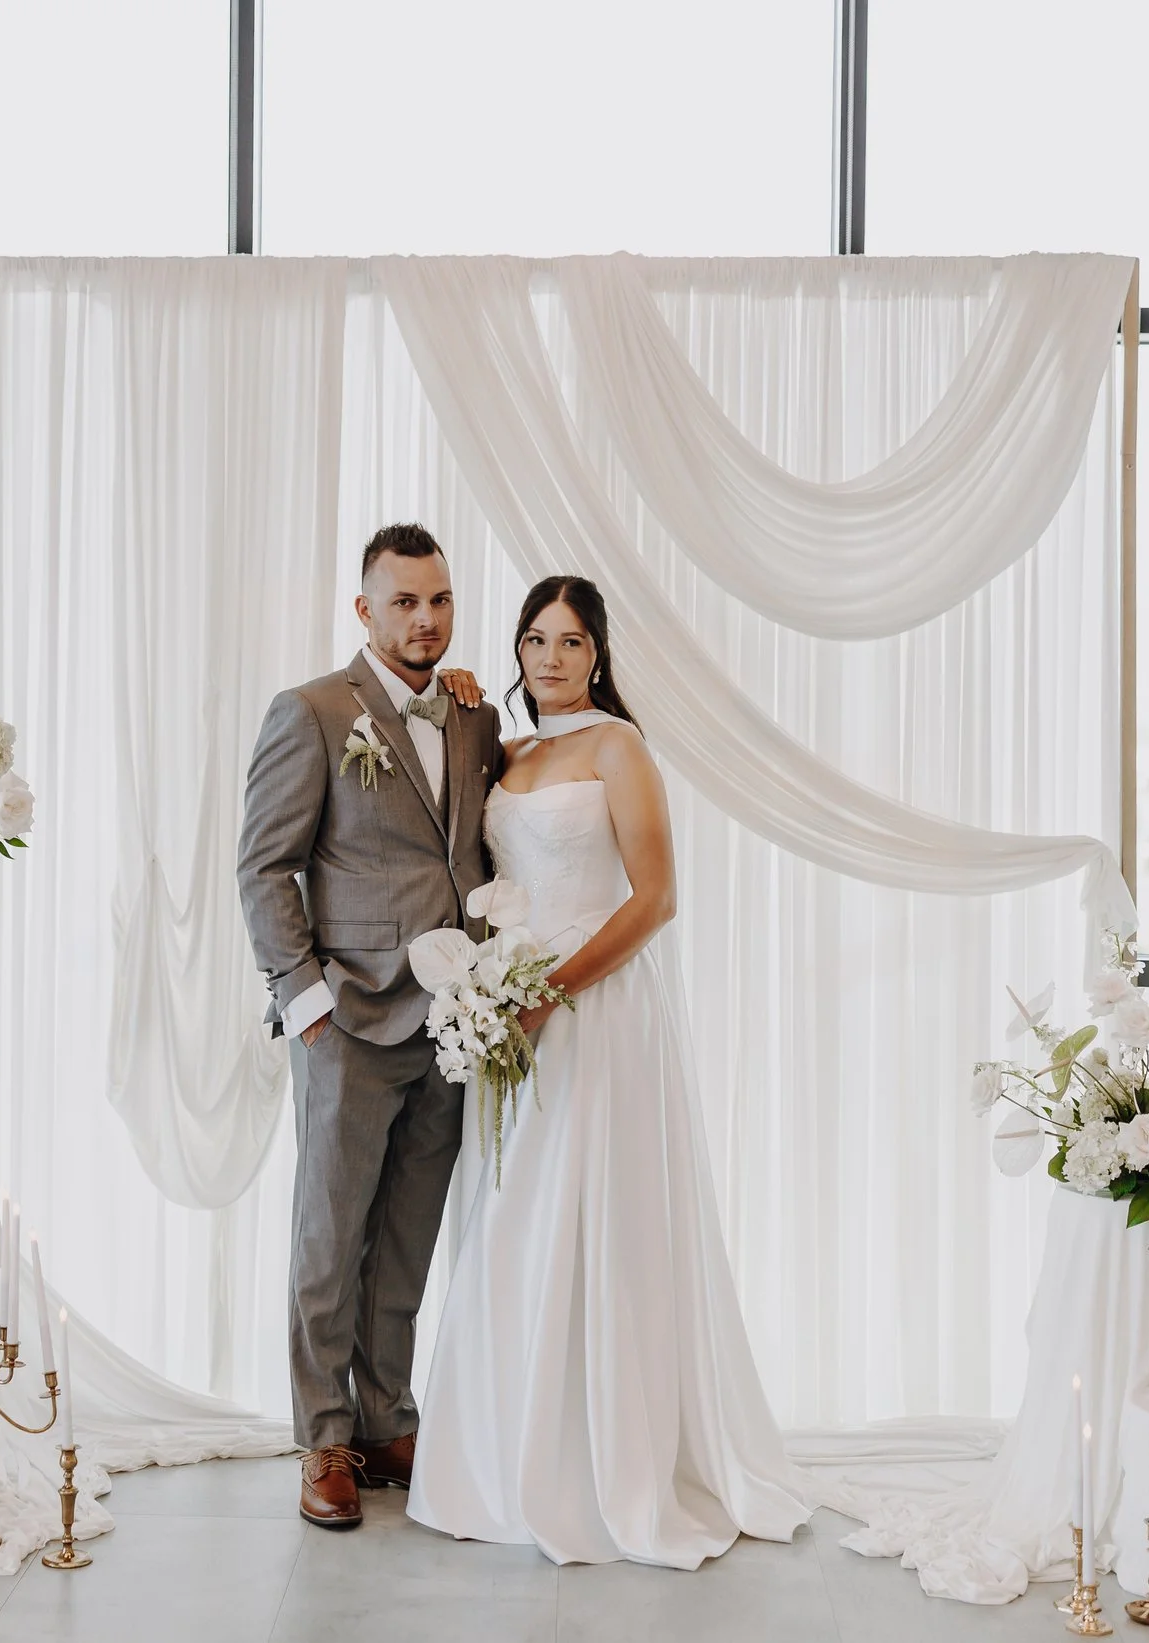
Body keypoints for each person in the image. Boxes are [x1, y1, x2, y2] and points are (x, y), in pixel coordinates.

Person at [407, 573, 812, 1569]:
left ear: (598, 655)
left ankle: (608, 1459)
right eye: (535, 638)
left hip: (599, 1005)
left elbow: (656, 898)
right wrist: (498, 990)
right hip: (510, 1001)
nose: (550, 656)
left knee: (595, 1213)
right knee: (514, 1213)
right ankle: (505, 1452)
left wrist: (553, 989)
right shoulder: (507, 749)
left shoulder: (617, 747)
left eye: (572, 640)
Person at [235, 522, 502, 1529]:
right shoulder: (309, 712)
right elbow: (264, 865)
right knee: (327, 1235)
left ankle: (388, 1417)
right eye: (403, 601)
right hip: (346, 1013)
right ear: (364, 609)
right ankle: (323, 1436)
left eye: (438, 599)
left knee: (406, 1233)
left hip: (455, 1020)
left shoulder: (472, 717)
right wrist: (304, 1000)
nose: (424, 619)